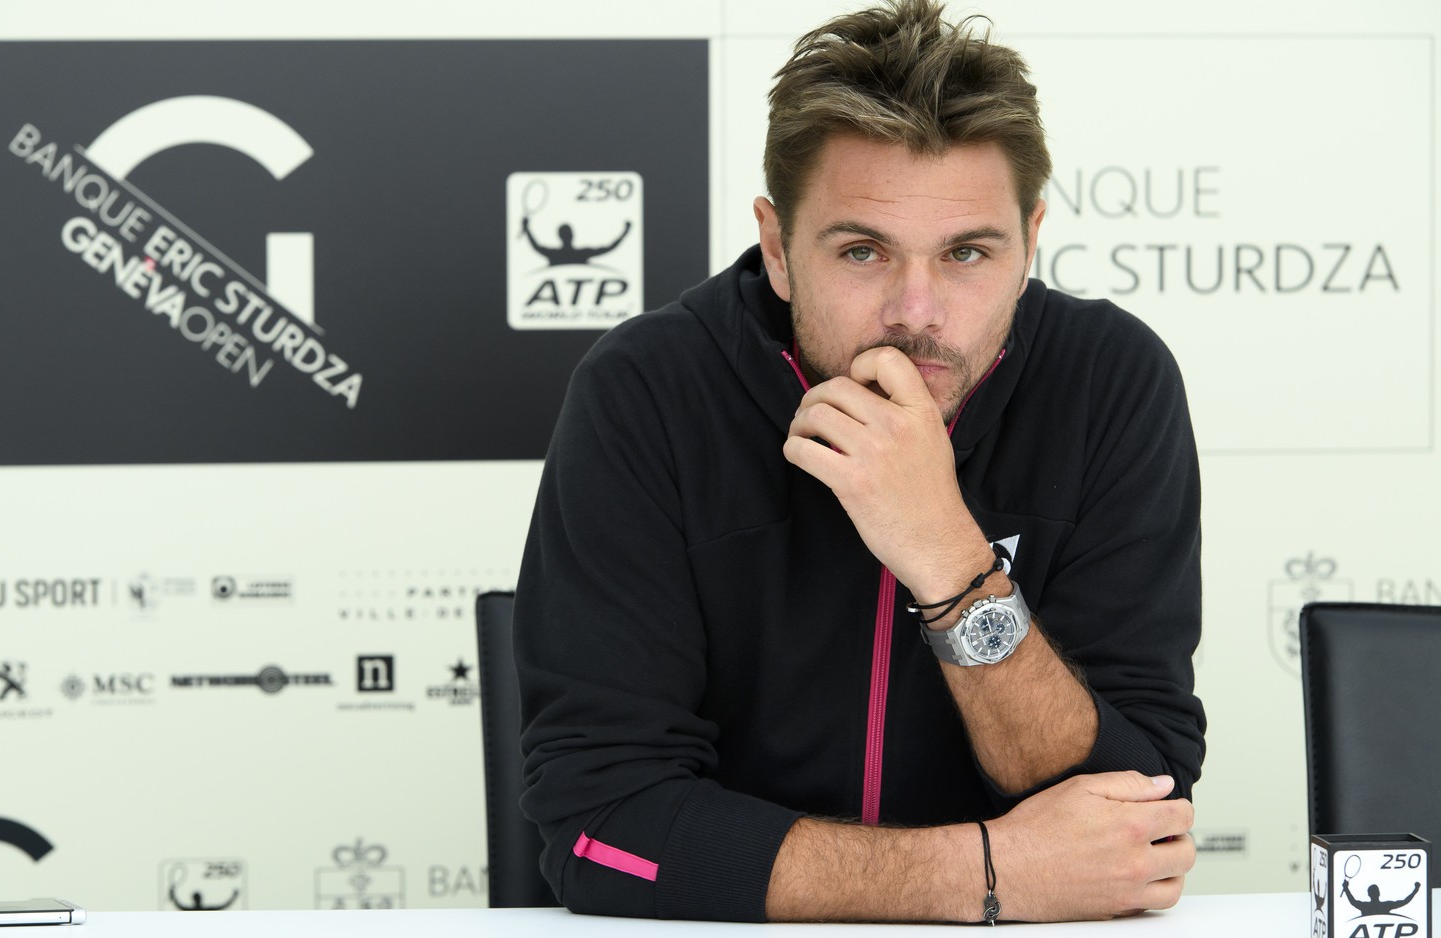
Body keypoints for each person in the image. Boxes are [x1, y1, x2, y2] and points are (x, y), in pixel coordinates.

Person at [513, 0, 1205, 923]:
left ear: (1031, 242)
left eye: (968, 252)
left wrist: (950, 560)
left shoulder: (1110, 381)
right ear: (778, 247)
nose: (915, 312)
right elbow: (600, 828)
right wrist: (985, 874)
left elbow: (1136, 810)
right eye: (862, 250)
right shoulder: (648, 390)